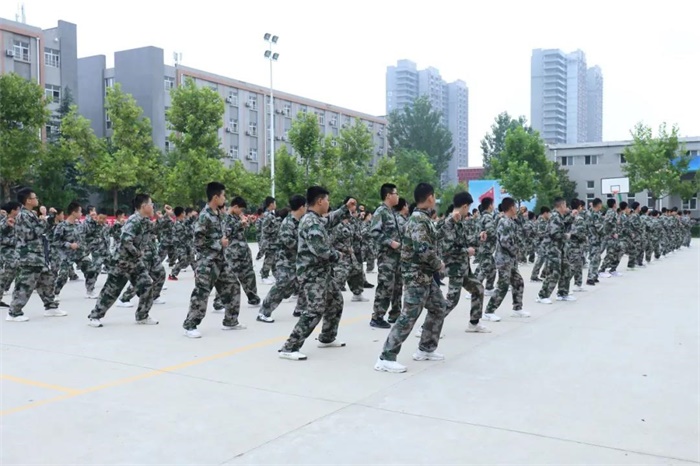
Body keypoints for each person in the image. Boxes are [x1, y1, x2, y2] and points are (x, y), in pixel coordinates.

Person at [374, 183, 447, 374]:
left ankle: (426, 348)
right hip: (416, 276)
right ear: (430, 197)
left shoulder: (423, 218)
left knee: (439, 306)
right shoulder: (417, 220)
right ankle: (386, 357)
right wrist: (439, 264)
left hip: (425, 276)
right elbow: (423, 249)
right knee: (408, 316)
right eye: (434, 196)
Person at [278, 187, 355, 361]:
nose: (328, 203)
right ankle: (289, 347)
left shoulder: (316, 219)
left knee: (335, 301)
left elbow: (330, 220)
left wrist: (345, 208)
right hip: (312, 274)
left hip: (322, 273)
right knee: (314, 310)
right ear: (320, 201)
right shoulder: (311, 222)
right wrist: (338, 255)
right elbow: (321, 250)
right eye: (327, 200)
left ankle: (327, 337)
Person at [182, 182, 246, 338]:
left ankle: (231, 321)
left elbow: (226, 232)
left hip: (221, 260)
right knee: (202, 293)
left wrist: (239, 226)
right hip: (207, 262)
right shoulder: (204, 216)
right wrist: (219, 243)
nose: (225, 198)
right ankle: (190, 325)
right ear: (215, 197)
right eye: (223, 195)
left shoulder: (219, 214)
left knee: (233, 286)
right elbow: (197, 241)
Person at [87, 194, 158, 327]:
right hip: (122, 261)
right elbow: (126, 240)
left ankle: (142, 316)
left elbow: (156, 229)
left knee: (147, 284)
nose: (153, 206)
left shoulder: (144, 221)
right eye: (151, 204)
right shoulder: (134, 220)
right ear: (144, 206)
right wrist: (138, 253)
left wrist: (164, 217)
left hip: (135, 262)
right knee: (112, 290)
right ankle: (95, 316)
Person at [6, 188, 64, 321]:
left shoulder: (30, 214)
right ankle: (14, 312)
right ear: (28, 200)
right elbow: (31, 234)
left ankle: (51, 307)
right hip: (29, 256)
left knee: (47, 279)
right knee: (25, 284)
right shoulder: (23, 215)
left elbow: (42, 231)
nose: (37, 199)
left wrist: (48, 221)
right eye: (34, 197)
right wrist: (47, 220)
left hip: (37, 255)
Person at [437, 192, 489, 331]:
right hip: (455, 267)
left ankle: (474, 323)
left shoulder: (458, 221)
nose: (468, 211)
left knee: (478, 289)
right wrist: (467, 251)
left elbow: (463, 242)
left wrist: (478, 238)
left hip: (463, 267)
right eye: (468, 207)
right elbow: (447, 248)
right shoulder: (450, 222)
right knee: (451, 301)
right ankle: (428, 327)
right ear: (465, 206)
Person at [257, 195, 307, 322]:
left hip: (297, 260)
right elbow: (289, 242)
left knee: (304, 283)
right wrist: (306, 246)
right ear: (301, 207)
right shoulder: (288, 223)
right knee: (281, 286)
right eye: (305, 206)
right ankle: (264, 312)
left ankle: (300, 309)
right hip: (286, 261)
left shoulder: (300, 221)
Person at [482, 197, 530, 319]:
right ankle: (489, 311)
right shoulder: (504, 221)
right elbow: (504, 242)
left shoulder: (511, 221)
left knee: (518, 282)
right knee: (503, 286)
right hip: (504, 259)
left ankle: (517, 308)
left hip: (511, 259)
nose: (517, 209)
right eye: (515, 206)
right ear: (511, 207)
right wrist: (516, 251)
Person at [369, 183, 402, 329]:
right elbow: (374, 232)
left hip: (397, 257)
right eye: (396, 193)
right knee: (385, 286)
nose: (398, 196)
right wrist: (390, 243)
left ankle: (395, 314)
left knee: (397, 286)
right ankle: (377, 317)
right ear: (389, 195)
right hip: (387, 257)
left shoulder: (392, 212)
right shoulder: (380, 212)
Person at [52, 202, 99, 299]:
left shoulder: (79, 225)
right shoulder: (62, 226)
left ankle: (90, 290)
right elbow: (55, 241)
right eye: (80, 211)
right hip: (67, 254)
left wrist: (93, 218)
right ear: (74, 212)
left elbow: (90, 231)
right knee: (63, 275)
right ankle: (54, 293)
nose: (81, 214)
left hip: (80, 254)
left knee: (91, 269)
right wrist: (69, 245)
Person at [536, 197, 576, 304]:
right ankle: (542, 295)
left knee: (566, 269)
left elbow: (565, 223)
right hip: (553, 249)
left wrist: (571, 216)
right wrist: (566, 236)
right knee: (554, 272)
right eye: (565, 205)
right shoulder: (555, 217)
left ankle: (562, 293)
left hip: (560, 248)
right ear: (561, 205)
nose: (566, 207)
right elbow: (554, 233)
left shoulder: (559, 216)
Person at [0, 201, 21, 307]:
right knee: (4, 274)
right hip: (6, 252)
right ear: (13, 210)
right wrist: (15, 241)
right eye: (18, 209)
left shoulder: (19, 221)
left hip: (16, 252)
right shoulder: (4, 222)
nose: (19, 211)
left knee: (13, 272)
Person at [259, 197, 279, 284]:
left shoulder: (270, 214)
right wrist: (276, 229)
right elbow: (266, 228)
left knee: (273, 260)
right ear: (271, 204)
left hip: (273, 242)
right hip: (269, 242)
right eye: (275, 203)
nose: (275, 205)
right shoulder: (268, 215)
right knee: (269, 259)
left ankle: (276, 276)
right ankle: (264, 275)